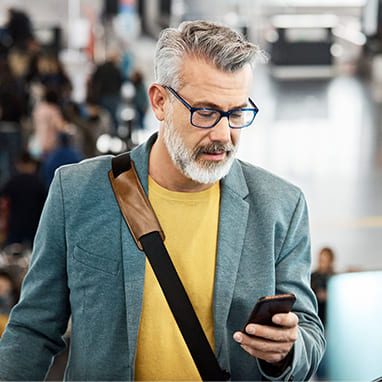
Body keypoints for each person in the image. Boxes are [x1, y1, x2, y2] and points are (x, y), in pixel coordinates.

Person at [0, 21, 325, 380]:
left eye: (235, 113)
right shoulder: (78, 192)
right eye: (204, 112)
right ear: (159, 101)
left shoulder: (281, 207)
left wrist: (284, 351)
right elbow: (33, 329)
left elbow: (309, 333)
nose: (222, 135)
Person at [311, 247, 336, 327]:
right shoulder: (312, 277)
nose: (322, 263)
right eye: (321, 260)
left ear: (330, 261)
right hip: (316, 315)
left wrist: (329, 296)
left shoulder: (334, 278)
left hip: (330, 316)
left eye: (325, 260)